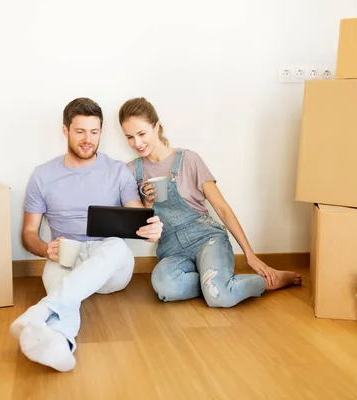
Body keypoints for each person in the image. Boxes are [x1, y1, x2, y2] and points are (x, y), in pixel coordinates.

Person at [10, 97, 163, 372]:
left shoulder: (118, 171)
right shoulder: (42, 176)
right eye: (80, 131)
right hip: (64, 256)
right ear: (66, 131)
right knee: (66, 292)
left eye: (94, 132)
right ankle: (61, 344)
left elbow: (138, 218)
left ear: (101, 132)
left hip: (109, 265)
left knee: (116, 247)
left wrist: (151, 228)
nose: (87, 139)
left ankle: (42, 310)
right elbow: (29, 233)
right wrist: (46, 250)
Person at [118, 97, 301, 309]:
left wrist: (250, 255)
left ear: (156, 127)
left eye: (142, 134)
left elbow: (222, 209)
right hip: (170, 248)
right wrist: (148, 202)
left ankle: (268, 282)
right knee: (165, 287)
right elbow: (142, 227)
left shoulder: (189, 159)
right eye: (129, 137)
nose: (137, 143)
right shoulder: (132, 170)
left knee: (219, 297)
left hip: (207, 238)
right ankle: (215, 281)